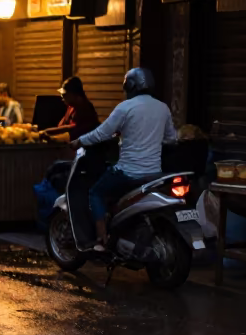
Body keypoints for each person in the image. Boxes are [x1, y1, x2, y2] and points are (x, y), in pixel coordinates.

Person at [73, 68, 177, 250]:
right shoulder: (163, 108)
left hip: (128, 173)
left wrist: (79, 141)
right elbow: (171, 138)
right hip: (154, 174)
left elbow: (101, 133)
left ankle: (101, 239)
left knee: (96, 193)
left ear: (130, 86)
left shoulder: (125, 107)